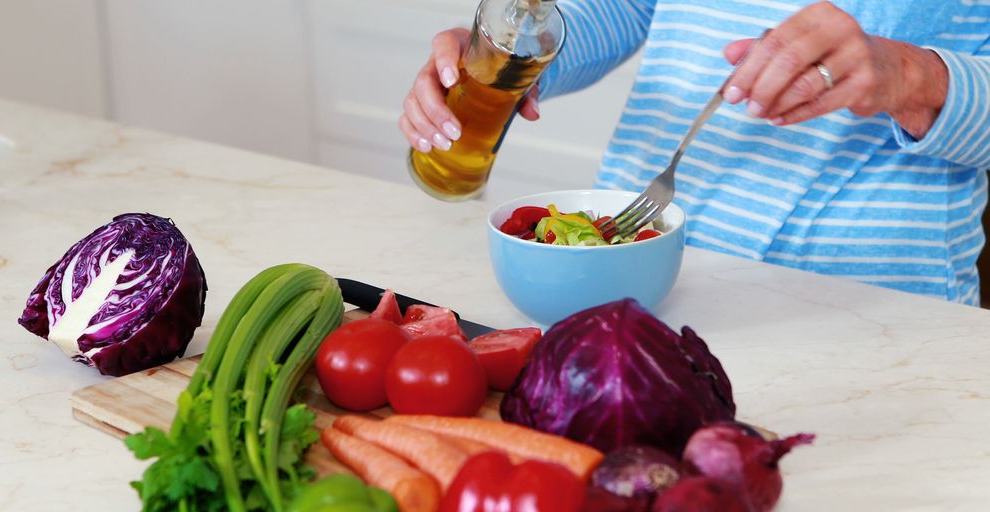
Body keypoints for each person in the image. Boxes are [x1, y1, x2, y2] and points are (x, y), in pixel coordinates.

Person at [399, 0, 990, 305]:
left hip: (869, 306)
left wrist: (913, 76)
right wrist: (510, 56)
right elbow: (626, 9)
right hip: (631, 263)